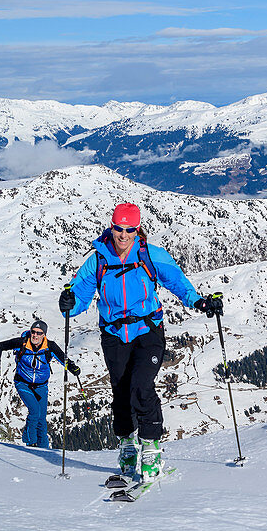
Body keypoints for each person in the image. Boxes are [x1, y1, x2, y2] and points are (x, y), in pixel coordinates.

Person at [58, 203, 219, 480]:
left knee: (141, 386)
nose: (123, 235)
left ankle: (151, 447)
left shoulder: (150, 254)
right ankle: (126, 442)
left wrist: (199, 301)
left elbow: (178, 282)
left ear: (137, 229)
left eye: (129, 229)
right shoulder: (97, 259)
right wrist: (68, 304)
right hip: (114, 334)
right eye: (118, 228)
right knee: (120, 391)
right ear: (111, 227)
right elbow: (79, 296)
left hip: (148, 330)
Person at [0, 320, 80, 449]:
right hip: (23, 383)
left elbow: (63, 358)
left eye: (39, 333)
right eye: (33, 332)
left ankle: (44, 449)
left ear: (44, 334)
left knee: (42, 420)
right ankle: (30, 443)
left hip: (41, 386)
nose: (35, 335)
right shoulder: (21, 343)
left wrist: (73, 367)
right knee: (34, 411)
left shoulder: (50, 346)